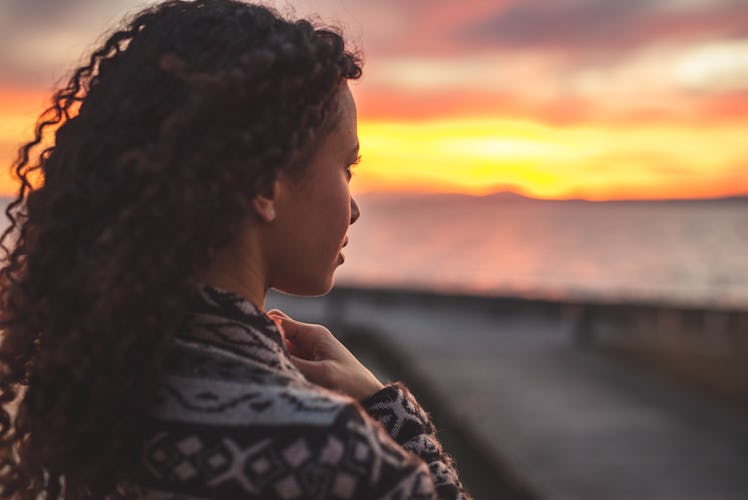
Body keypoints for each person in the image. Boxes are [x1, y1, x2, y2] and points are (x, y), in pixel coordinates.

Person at [0, 0, 471, 498]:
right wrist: (389, 415)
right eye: (346, 168)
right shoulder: (337, 458)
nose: (354, 209)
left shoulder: (76, 400)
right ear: (265, 187)